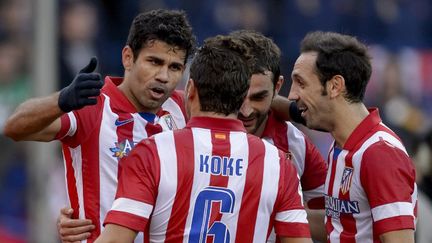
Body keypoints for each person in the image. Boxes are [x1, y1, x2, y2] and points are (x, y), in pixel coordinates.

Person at [95, 34, 312, 243]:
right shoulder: (278, 164)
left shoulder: (153, 152)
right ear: (242, 93)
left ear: (190, 89)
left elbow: (116, 239)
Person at [3, 9, 196, 243]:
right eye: (154, 62)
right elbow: (14, 126)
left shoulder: (183, 108)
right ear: (128, 57)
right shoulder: (93, 107)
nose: (163, 76)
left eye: (174, 67)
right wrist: (62, 100)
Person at [288, 31, 417, 242]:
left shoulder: (379, 153)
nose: (292, 94)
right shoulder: (341, 143)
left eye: (301, 83)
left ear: (335, 86)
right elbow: (340, 227)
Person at [229, 29, 327, 242]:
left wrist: (280, 212)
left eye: (259, 97)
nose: (246, 111)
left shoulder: (296, 144)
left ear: (277, 87)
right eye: (238, 96)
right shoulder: (190, 125)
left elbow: (333, 221)